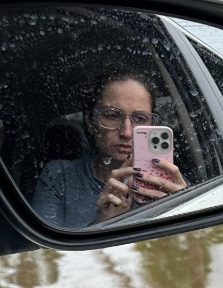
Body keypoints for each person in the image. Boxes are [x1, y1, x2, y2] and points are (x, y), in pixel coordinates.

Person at [32, 67, 186, 228]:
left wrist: (180, 206)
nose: (126, 132)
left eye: (140, 118)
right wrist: (102, 223)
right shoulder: (59, 177)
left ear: (152, 125)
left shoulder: (168, 182)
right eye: (112, 115)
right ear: (90, 121)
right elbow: (43, 243)